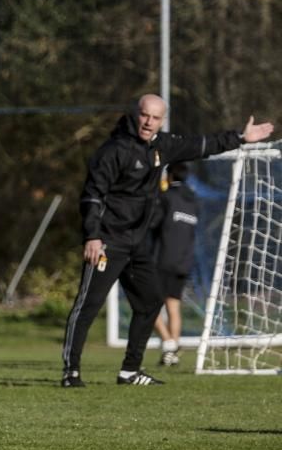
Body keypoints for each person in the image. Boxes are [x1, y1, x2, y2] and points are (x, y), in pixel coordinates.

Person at [60, 94, 273, 387]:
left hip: (138, 244)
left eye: (155, 118)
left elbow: (201, 145)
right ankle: (71, 372)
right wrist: (93, 236)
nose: (148, 122)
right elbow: (92, 196)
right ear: (135, 114)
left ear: (162, 120)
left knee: (150, 302)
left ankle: (129, 371)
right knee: (88, 306)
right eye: (144, 115)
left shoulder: (162, 145)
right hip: (109, 242)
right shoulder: (113, 151)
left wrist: (240, 137)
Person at [152, 162, 199, 367]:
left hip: (162, 260)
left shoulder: (166, 198)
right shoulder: (194, 201)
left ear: (169, 176)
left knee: (147, 305)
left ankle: (169, 343)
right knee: (173, 306)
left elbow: (153, 225)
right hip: (184, 261)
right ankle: (172, 354)